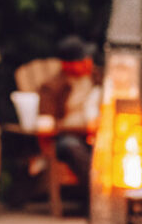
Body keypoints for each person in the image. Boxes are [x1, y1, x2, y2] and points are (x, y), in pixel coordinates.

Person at [37, 35, 102, 191]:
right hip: (68, 138)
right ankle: (97, 191)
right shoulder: (52, 87)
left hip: (99, 135)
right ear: (67, 64)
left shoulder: (97, 77)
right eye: (82, 60)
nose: (88, 62)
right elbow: (46, 127)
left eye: (88, 58)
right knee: (71, 146)